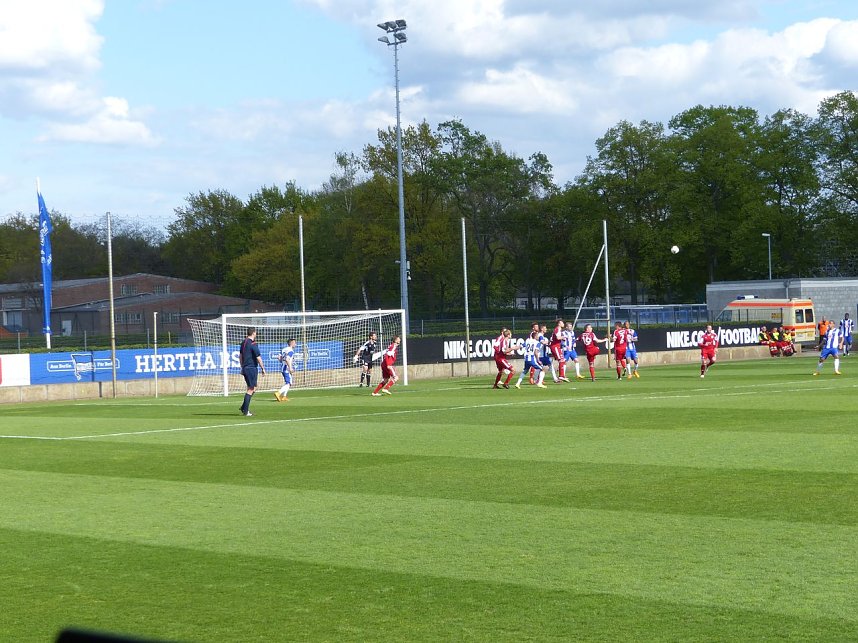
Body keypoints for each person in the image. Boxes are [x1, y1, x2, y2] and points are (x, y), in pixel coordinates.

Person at [239, 327, 265, 417]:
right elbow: (258, 357)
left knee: (253, 388)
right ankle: (245, 411)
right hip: (251, 368)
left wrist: (242, 367)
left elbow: (240, 356)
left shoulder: (243, 342)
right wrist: (263, 368)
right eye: (255, 332)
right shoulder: (253, 344)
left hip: (246, 368)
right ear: (254, 333)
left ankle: (243, 407)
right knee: (250, 389)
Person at [275, 338, 297, 402]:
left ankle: (284, 396)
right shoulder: (291, 351)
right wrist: (290, 367)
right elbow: (287, 359)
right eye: (295, 343)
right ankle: (278, 393)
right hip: (286, 368)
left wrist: (283, 361)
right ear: (292, 343)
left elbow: (279, 358)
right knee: (288, 383)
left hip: (283, 367)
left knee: (289, 382)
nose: (296, 344)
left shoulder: (283, 349)